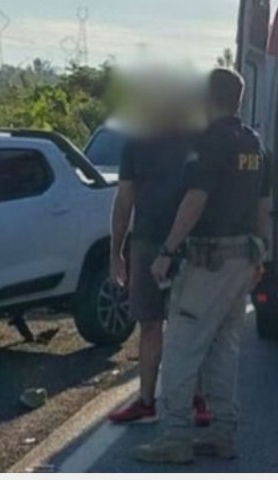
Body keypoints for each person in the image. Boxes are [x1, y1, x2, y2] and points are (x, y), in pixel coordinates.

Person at [133, 68, 271, 464]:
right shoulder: (254, 144)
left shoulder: (209, 142)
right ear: (239, 99)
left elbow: (196, 198)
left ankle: (175, 437)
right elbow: (262, 209)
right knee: (224, 350)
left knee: (182, 349)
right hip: (242, 260)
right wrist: (260, 253)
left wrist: (167, 251)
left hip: (206, 262)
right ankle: (222, 434)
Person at [109, 121, 210, 425]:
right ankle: (146, 400)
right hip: (145, 242)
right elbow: (124, 198)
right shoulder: (135, 143)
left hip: (189, 244)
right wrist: (116, 252)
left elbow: (205, 193)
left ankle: (198, 397)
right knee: (150, 324)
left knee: (189, 325)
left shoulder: (198, 138)